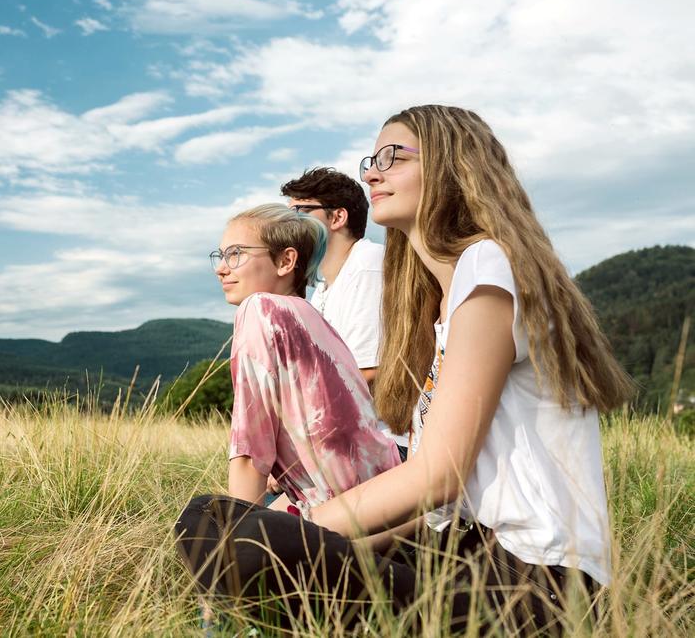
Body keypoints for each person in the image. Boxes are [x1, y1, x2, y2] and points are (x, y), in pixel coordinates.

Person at [175, 105, 633, 633]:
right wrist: (324, 543)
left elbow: (438, 476)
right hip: (455, 555)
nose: (372, 172)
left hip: (534, 588)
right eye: (372, 159)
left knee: (247, 539)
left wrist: (293, 526)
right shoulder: (439, 309)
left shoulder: (487, 267)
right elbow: (437, 511)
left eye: (392, 157)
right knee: (210, 520)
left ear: (452, 165)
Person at [210, 203, 400, 509]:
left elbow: (250, 454)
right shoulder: (316, 320)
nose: (221, 267)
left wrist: (241, 545)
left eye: (236, 254)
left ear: (286, 260)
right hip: (385, 498)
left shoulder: (260, 308)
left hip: (350, 520)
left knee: (203, 523)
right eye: (220, 256)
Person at [281, 167, 409, 457]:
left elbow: (366, 372)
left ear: (337, 217)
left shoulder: (366, 266)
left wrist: (298, 447)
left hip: (386, 444)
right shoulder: (325, 288)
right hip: (347, 441)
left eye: (300, 211)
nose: (288, 224)